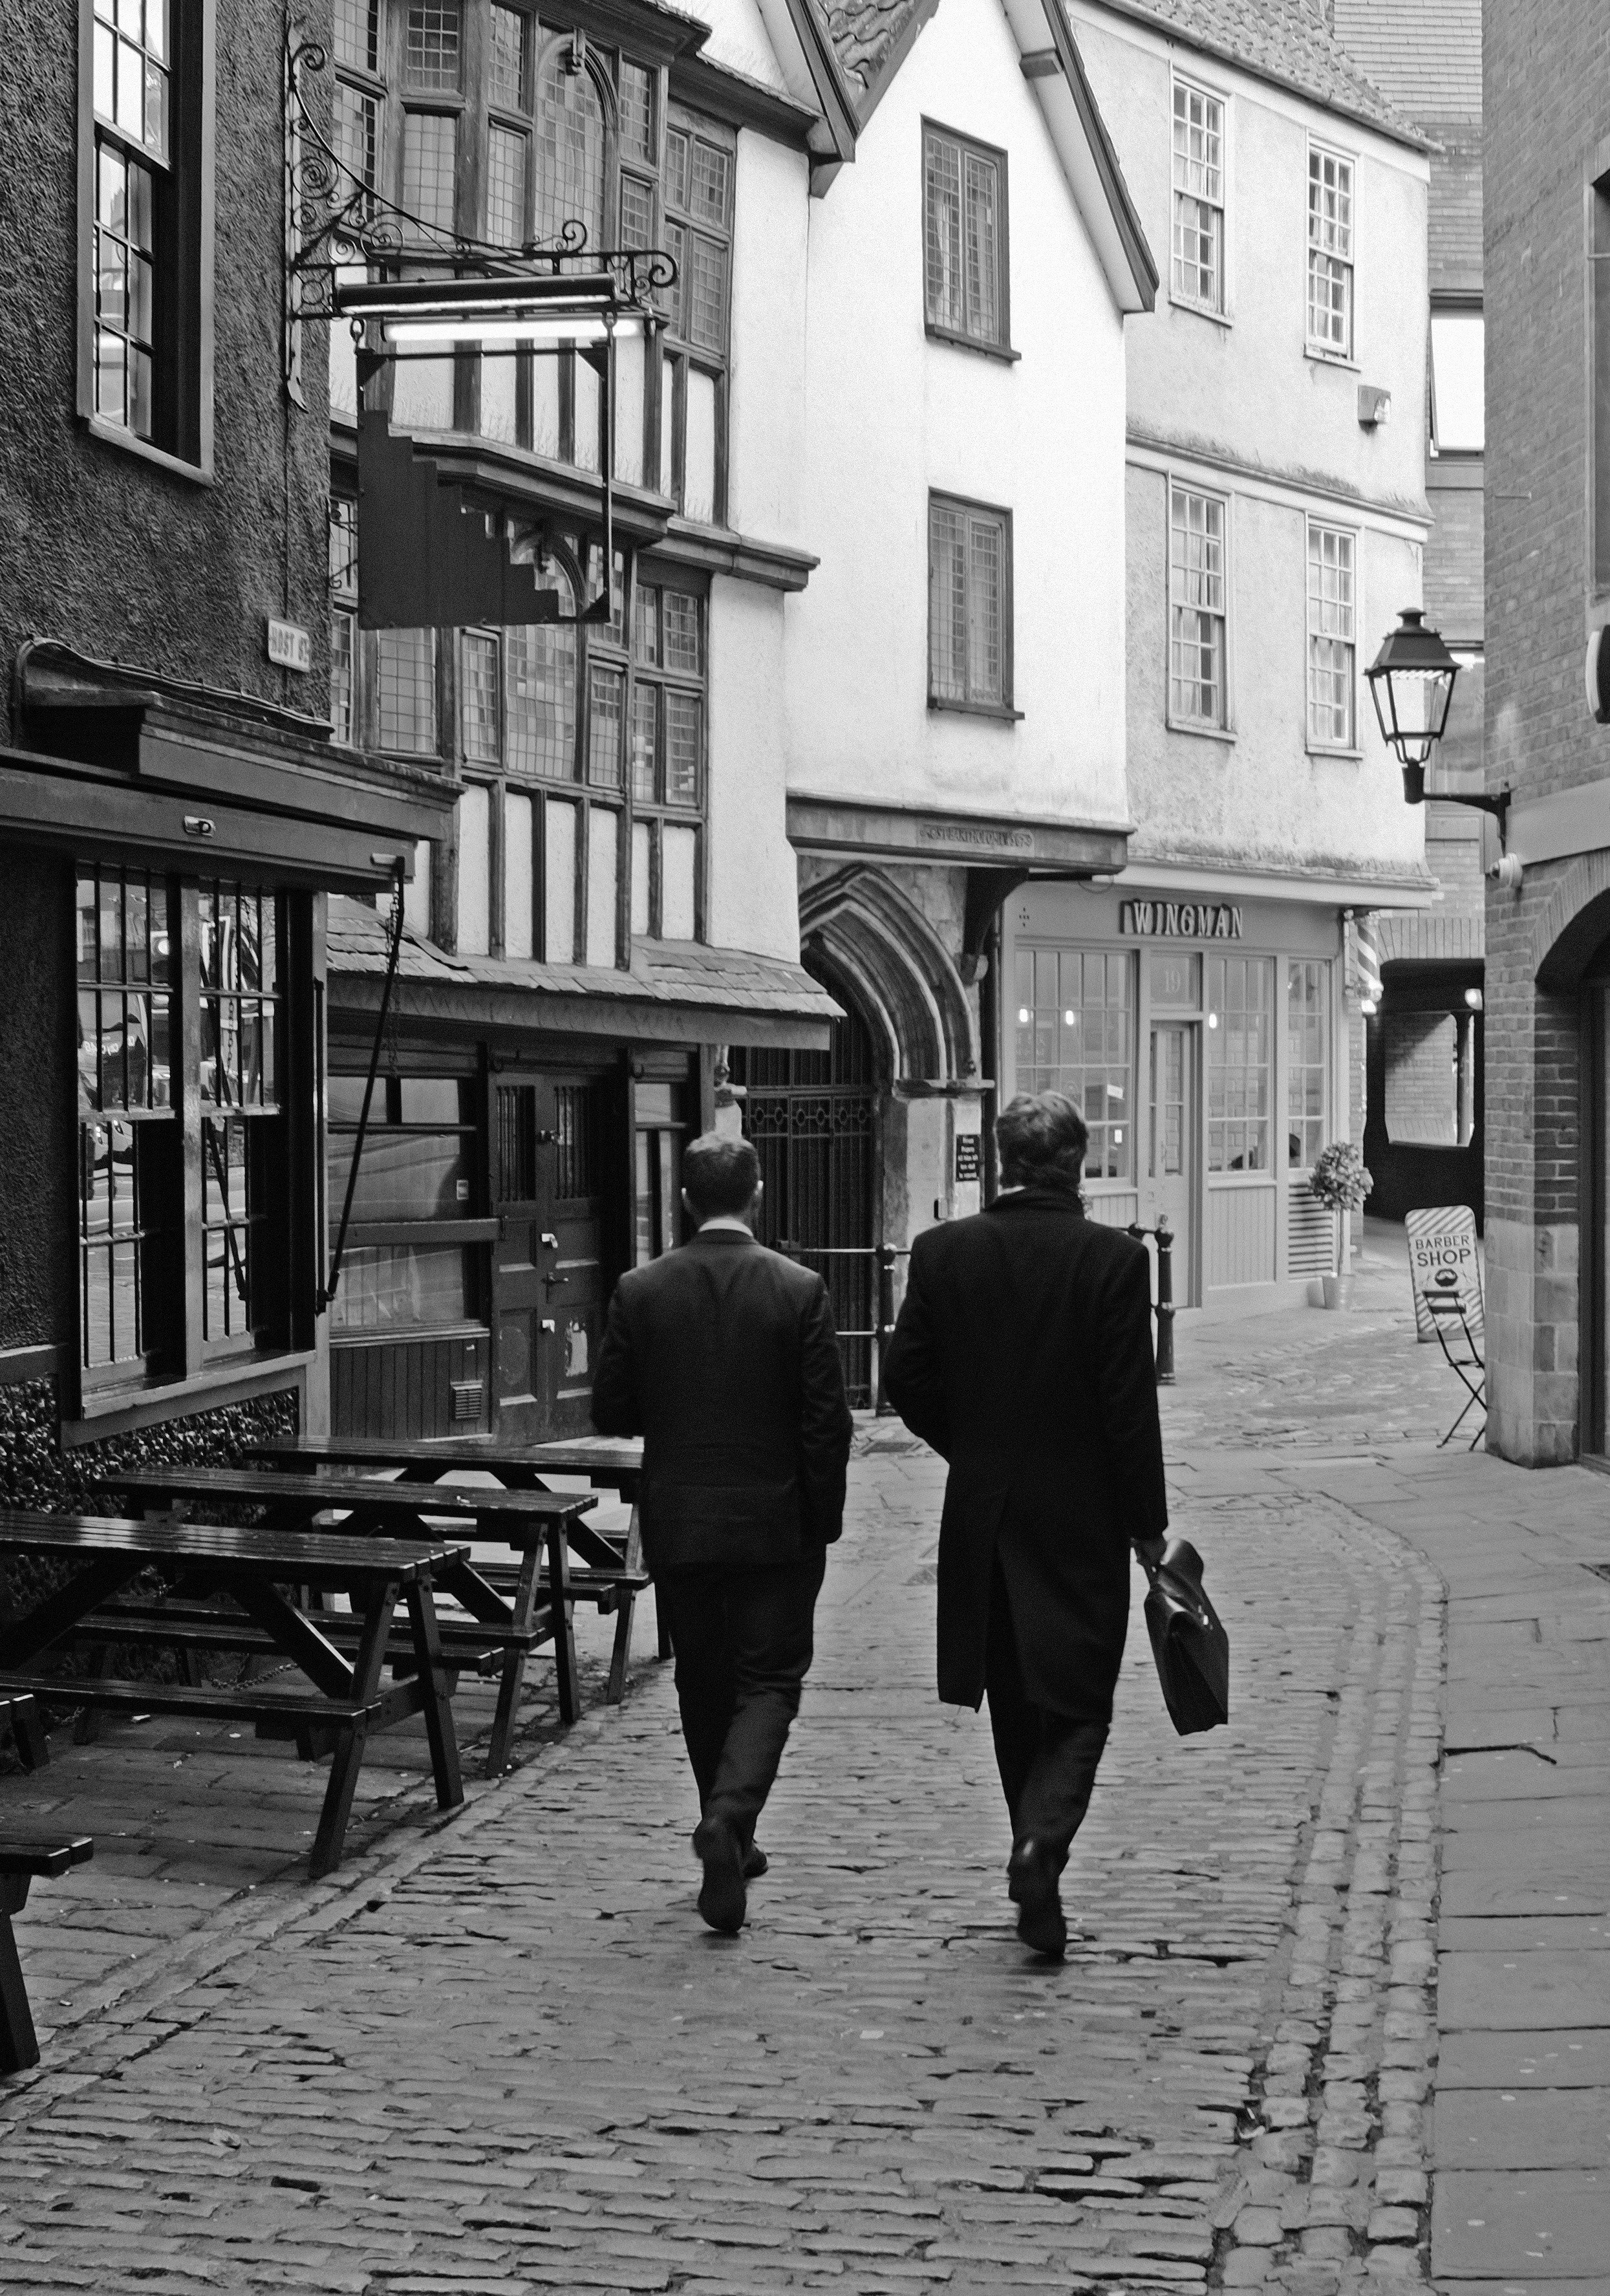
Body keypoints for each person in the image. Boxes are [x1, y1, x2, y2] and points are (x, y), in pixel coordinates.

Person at [881, 1090, 1168, 1959]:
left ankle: (1025, 1842)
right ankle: (1041, 1842)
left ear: (1004, 1162)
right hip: (1080, 1513)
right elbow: (1128, 1407)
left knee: (1013, 1696)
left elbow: (906, 1378)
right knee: (1078, 1699)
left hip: (986, 1512)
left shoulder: (943, 1252)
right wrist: (1147, 1526)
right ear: (1078, 1162)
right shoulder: (1111, 1260)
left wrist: (970, 1448)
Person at [591, 1131, 853, 1934]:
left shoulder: (641, 1290)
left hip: (683, 1518)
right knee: (769, 1682)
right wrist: (821, 1520)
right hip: (776, 1522)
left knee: (702, 1679)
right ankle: (730, 1821)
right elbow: (826, 1424)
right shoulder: (799, 1289)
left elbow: (611, 1411)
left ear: (683, 1200)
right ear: (759, 1194)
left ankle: (727, 1825)